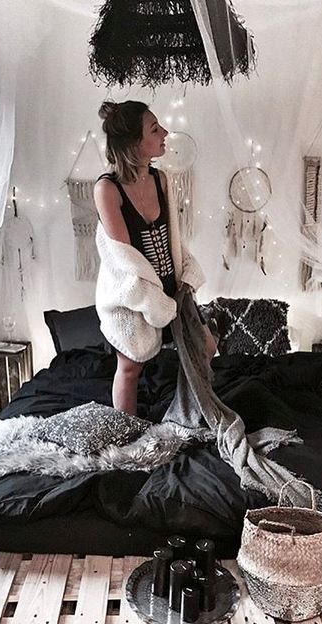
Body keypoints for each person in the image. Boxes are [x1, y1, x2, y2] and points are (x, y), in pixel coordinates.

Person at [93, 100, 216, 415]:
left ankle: (187, 412)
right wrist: (155, 303)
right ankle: (127, 430)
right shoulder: (107, 189)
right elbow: (124, 260)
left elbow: (173, 238)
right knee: (131, 366)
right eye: (154, 128)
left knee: (206, 347)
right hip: (131, 293)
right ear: (135, 143)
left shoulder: (161, 179)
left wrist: (182, 283)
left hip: (170, 287)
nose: (165, 133)